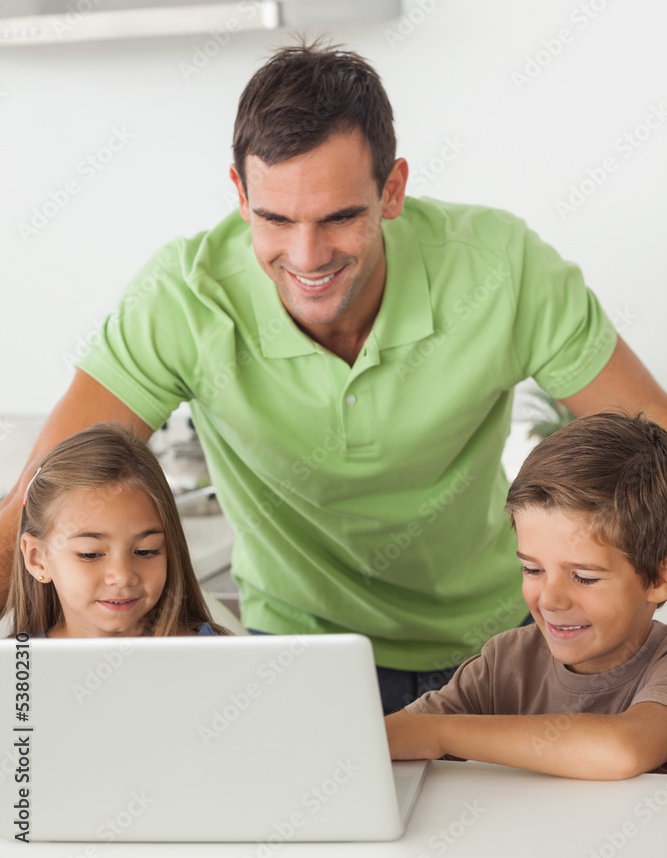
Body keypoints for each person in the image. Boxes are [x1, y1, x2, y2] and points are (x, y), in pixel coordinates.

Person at [1, 40, 667, 712]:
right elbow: (37, 499)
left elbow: (655, 443)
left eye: (340, 217)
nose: (306, 256)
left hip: (499, 642)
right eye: (275, 219)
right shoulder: (183, 298)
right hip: (300, 652)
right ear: (239, 194)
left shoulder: (500, 268)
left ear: (392, 190)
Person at [386, 412, 667, 778]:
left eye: (583, 577)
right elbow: (388, 738)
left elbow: (622, 750)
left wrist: (439, 733)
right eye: (533, 570)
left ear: (659, 578)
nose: (550, 600)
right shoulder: (503, 663)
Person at [2, 423, 229, 638]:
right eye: (90, 554)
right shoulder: (14, 666)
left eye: (146, 551)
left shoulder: (219, 660)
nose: (122, 576)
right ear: (37, 558)